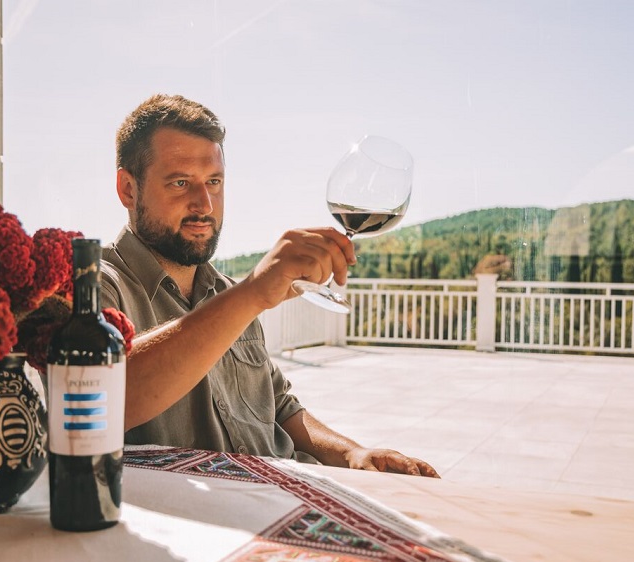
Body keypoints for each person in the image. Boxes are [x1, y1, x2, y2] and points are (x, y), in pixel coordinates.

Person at [100, 93, 438, 477]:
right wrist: (252, 294)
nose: (205, 204)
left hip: (290, 490)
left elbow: (280, 409)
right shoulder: (94, 288)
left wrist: (352, 453)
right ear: (128, 189)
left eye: (214, 182)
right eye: (181, 183)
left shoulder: (230, 294)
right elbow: (101, 398)